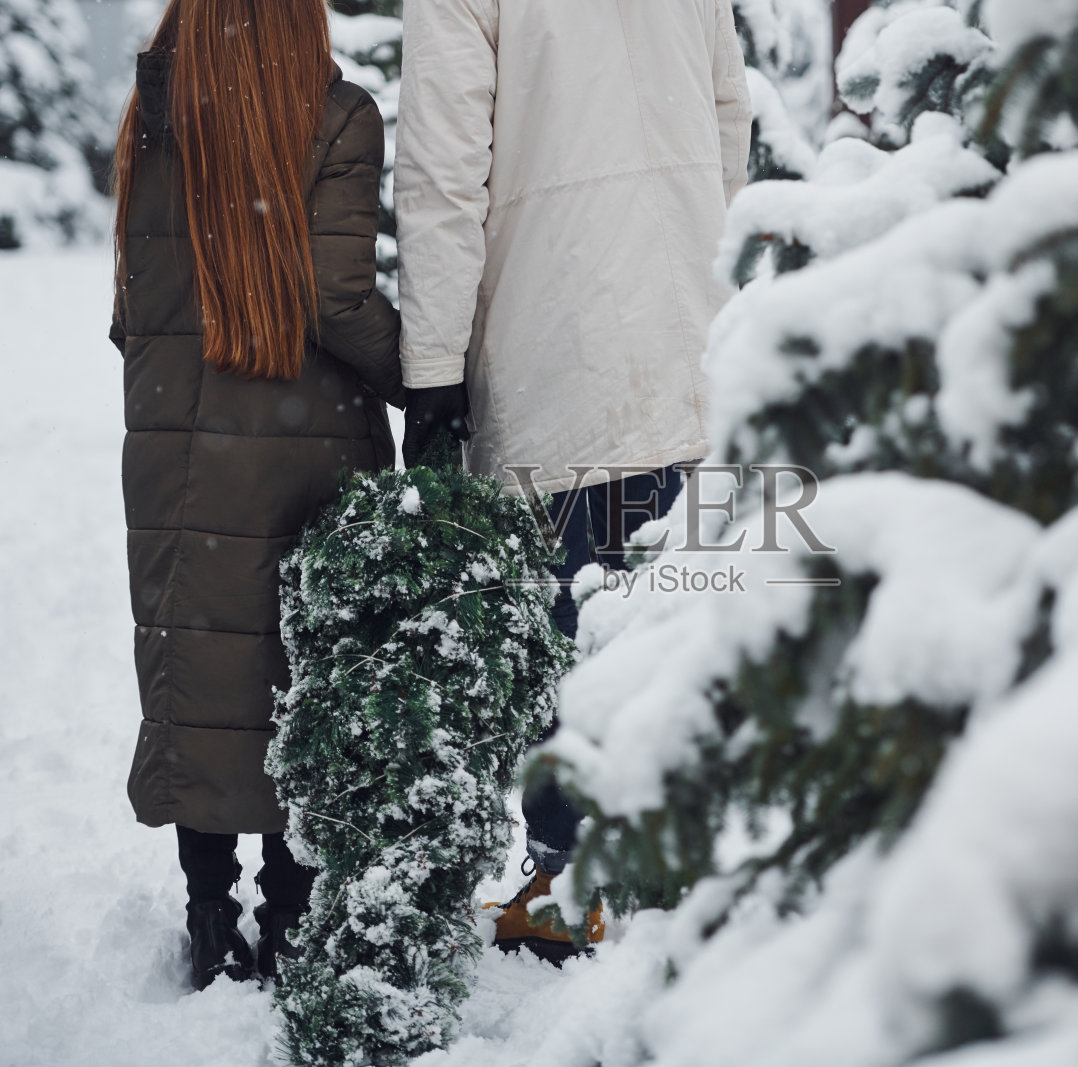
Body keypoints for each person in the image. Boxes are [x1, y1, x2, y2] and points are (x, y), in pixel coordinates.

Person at [392, 0, 752, 959]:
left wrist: (430, 371)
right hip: (684, 333)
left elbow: (441, 174)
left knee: (565, 632)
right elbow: (729, 116)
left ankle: (564, 880)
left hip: (554, 347)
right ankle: (685, 870)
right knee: (672, 612)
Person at [109, 0, 407, 991]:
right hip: (298, 444)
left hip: (168, 445)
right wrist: (429, 372)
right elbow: (336, 299)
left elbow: (131, 308)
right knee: (297, 675)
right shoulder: (335, 114)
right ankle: (287, 912)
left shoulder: (154, 117)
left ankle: (209, 913)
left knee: (198, 670)